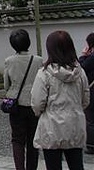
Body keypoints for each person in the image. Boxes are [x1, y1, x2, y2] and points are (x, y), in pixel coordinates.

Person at [32, 30, 89, 170]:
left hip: (52, 126)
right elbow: (86, 99)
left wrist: (41, 112)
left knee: (53, 166)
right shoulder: (80, 72)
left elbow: (37, 103)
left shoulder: (44, 73)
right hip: (75, 124)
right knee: (77, 165)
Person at [3, 29, 43, 170]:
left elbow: (6, 85)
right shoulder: (38, 60)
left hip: (16, 104)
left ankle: (19, 167)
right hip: (33, 103)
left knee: (17, 140)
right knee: (33, 139)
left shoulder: (9, 61)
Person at [78, 32, 94, 155]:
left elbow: (81, 67)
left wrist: (83, 55)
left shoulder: (92, 58)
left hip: (92, 91)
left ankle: (91, 145)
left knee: (90, 119)